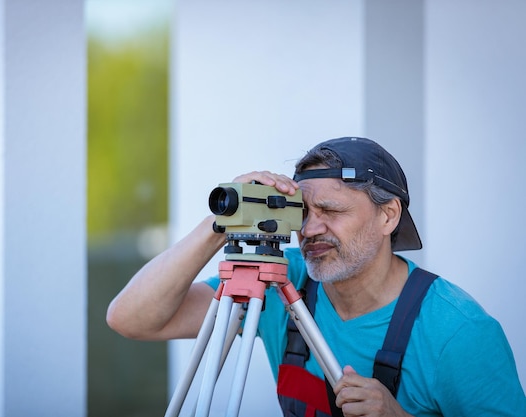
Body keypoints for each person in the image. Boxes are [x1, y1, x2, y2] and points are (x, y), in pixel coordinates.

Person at [107, 137, 526, 416]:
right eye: (304, 213)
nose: (309, 230)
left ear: (388, 215)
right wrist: (222, 221)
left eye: (332, 211)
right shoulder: (277, 282)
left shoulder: (457, 332)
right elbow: (131, 319)